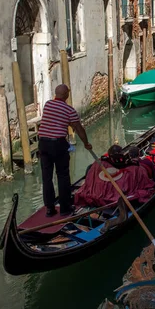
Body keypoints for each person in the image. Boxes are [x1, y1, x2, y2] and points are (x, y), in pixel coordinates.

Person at [38, 84, 92, 217]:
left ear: (56, 94)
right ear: (67, 95)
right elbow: (79, 128)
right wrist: (86, 143)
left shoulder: (48, 105)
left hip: (43, 143)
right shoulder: (69, 110)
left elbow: (55, 120)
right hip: (58, 144)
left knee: (47, 178)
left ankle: (50, 209)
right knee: (62, 176)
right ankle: (65, 208)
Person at [74, 144, 155, 231]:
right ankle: (116, 220)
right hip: (117, 199)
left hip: (100, 196)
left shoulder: (100, 164)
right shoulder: (136, 169)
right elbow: (148, 184)